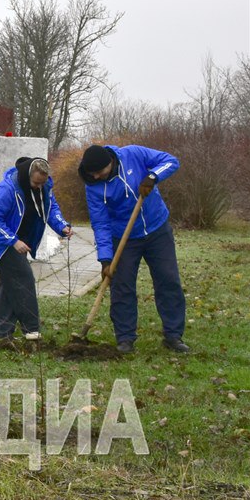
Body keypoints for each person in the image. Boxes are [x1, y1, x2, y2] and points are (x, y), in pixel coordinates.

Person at [79, 144, 189, 353]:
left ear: (110, 163)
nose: (95, 177)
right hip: (123, 238)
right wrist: (105, 258)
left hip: (157, 229)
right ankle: (125, 339)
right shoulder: (92, 186)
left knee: (168, 280)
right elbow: (100, 223)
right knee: (122, 286)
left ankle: (173, 336)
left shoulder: (133, 154)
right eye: (91, 174)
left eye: (99, 172)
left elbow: (171, 161)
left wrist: (153, 177)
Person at [0, 157, 72, 344]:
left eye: (42, 183)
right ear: (28, 175)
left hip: (20, 240)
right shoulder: (8, 189)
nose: (39, 186)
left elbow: (51, 209)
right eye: (36, 182)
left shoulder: (45, 187)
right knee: (24, 278)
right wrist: (13, 240)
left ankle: (1, 333)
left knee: (9, 282)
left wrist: (62, 226)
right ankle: (32, 330)